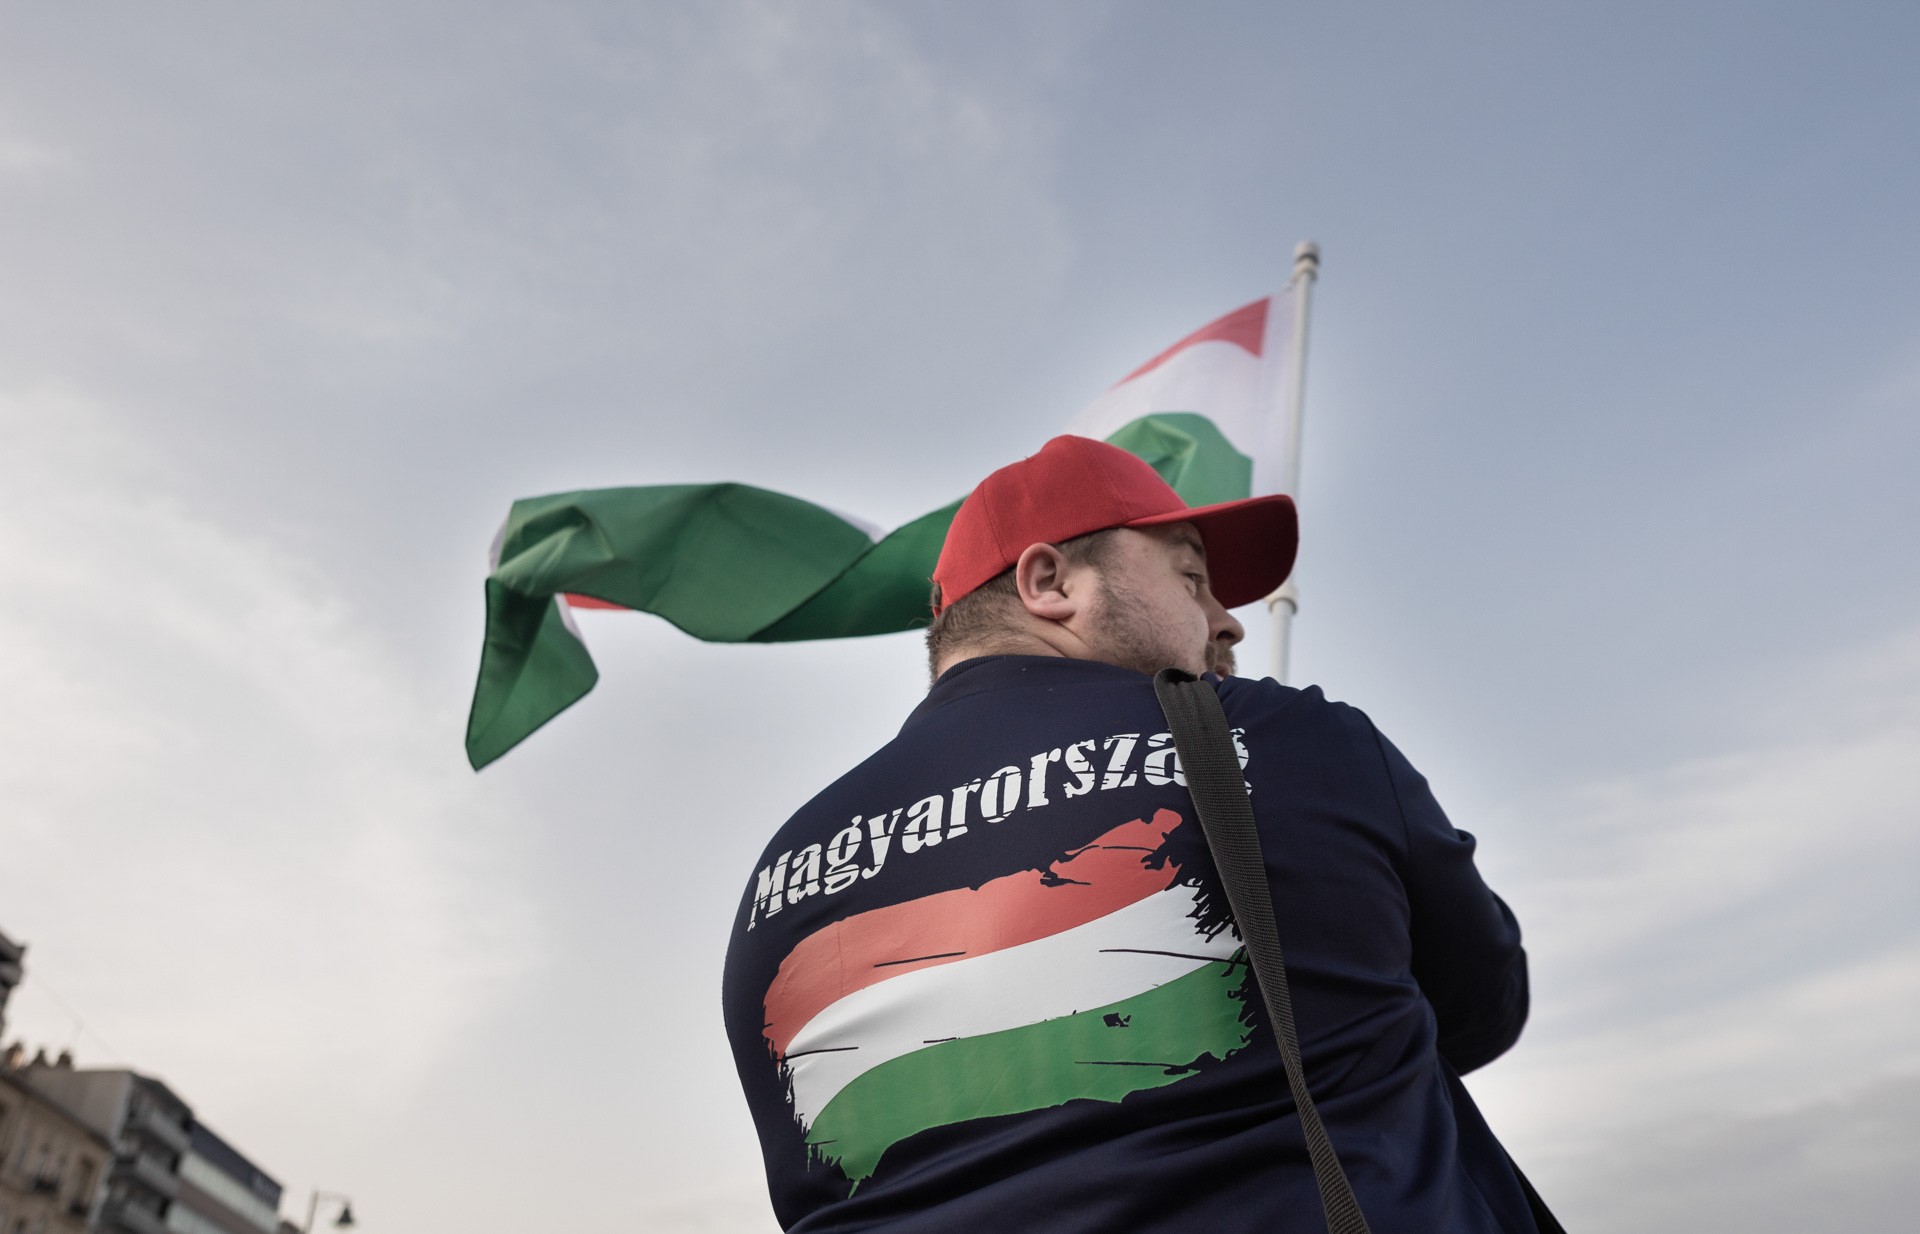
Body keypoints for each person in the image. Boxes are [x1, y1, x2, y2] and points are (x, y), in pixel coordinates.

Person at [722, 435, 1536, 1232]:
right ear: (1051, 583)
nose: (1229, 622)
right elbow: (1483, 1005)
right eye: (1192, 579)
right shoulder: (1292, 740)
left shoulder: (776, 884)